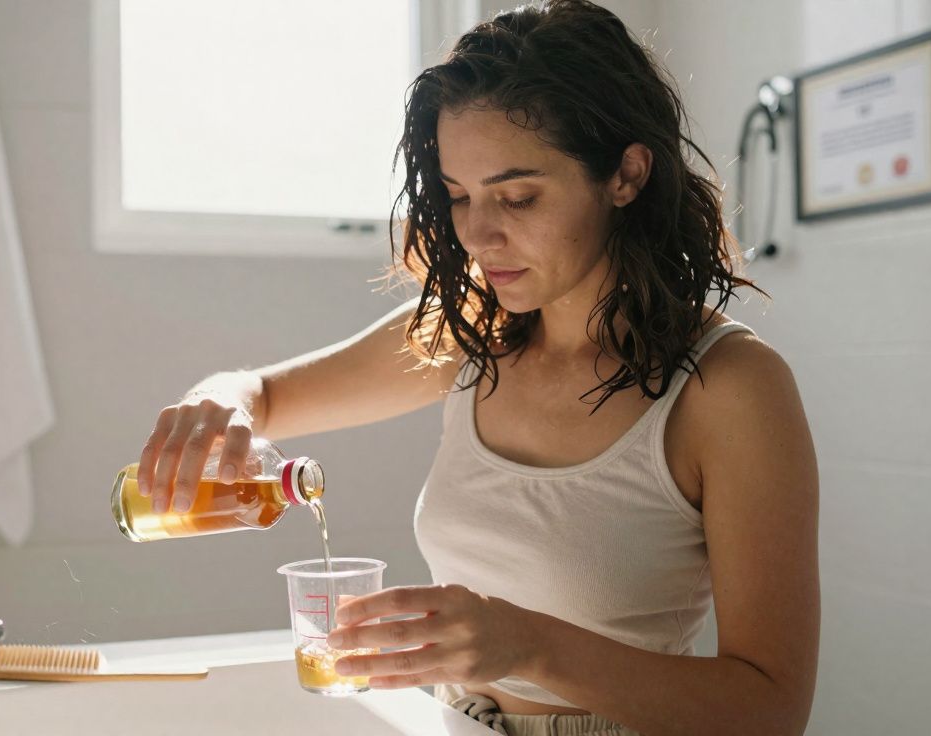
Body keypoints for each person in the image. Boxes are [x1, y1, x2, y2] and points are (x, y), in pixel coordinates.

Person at [136, 2, 819, 734]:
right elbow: (265, 395)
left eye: (518, 197)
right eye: (459, 196)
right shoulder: (470, 332)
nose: (477, 235)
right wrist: (220, 403)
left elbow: (772, 710)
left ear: (625, 174)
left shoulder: (730, 388)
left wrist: (528, 644)